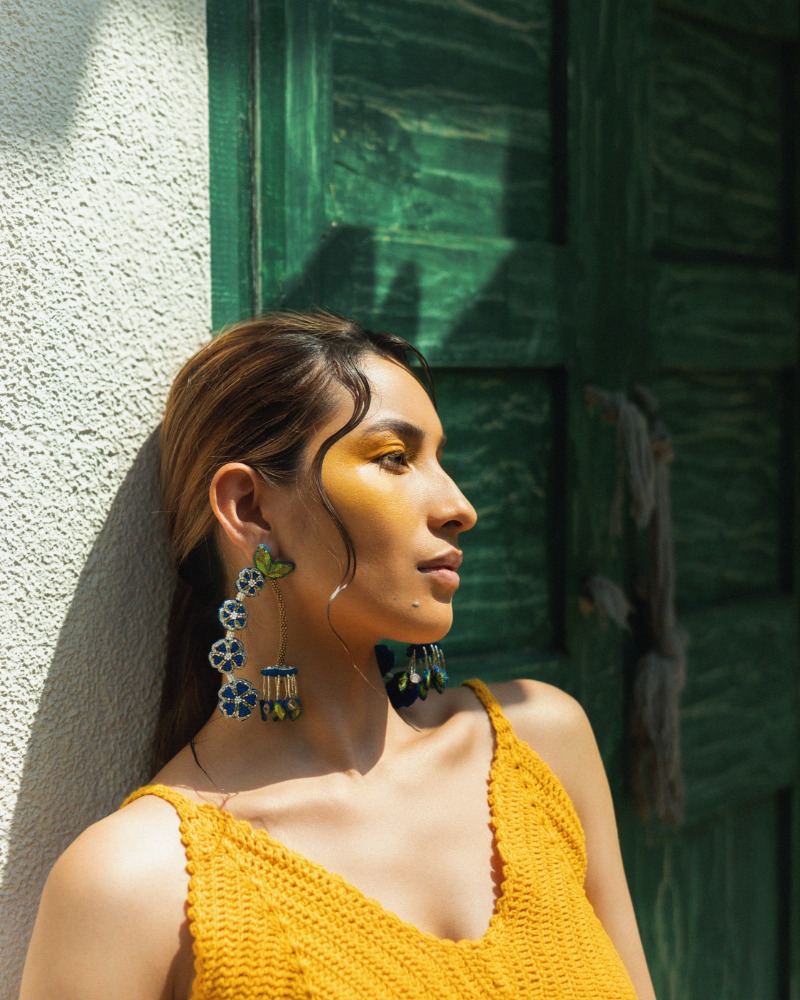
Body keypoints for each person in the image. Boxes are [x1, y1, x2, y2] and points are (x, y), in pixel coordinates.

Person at [20, 311, 657, 999]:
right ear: (250, 509)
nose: (459, 506)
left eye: (440, 459)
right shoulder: (133, 884)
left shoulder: (543, 749)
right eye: (395, 458)